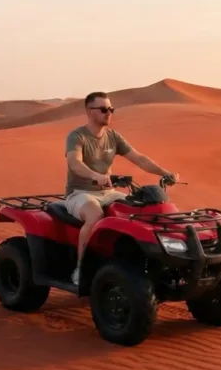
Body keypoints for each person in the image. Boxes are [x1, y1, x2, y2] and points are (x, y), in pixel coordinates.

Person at [64, 91, 179, 286]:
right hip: (80, 193)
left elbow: (139, 158)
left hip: (108, 193)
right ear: (88, 111)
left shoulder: (113, 137)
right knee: (95, 216)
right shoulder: (77, 136)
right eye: (103, 109)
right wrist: (95, 175)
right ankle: (81, 268)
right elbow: (74, 163)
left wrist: (165, 173)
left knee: (138, 211)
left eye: (111, 109)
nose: (108, 113)